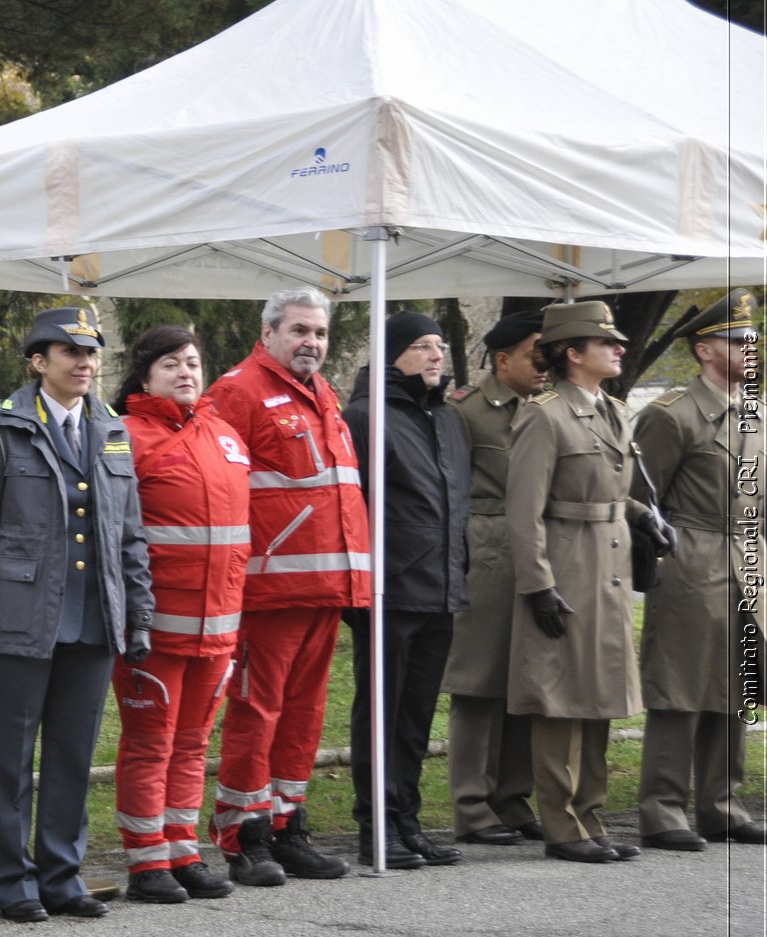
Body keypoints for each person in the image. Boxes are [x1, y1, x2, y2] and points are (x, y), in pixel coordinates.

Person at [0, 306, 154, 923]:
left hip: (94, 619)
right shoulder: (3, 427)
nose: (86, 364)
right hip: (19, 616)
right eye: (71, 353)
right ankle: (13, 881)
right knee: (10, 759)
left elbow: (130, 534)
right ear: (39, 363)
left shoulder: (112, 429)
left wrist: (139, 614)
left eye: (92, 355)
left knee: (71, 754)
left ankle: (63, 876)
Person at [204, 288, 368, 885]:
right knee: (258, 711)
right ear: (268, 332)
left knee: (304, 713)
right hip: (266, 590)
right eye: (300, 330)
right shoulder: (237, 392)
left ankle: (286, 825)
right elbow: (219, 490)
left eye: (320, 333)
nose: (312, 343)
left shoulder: (323, 395)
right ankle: (243, 836)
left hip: (324, 586)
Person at [507, 300, 673, 863]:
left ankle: (591, 816)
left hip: (611, 565)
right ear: (572, 354)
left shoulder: (613, 410)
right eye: (606, 343)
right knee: (561, 698)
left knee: (599, 693)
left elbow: (607, 488)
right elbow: (524, 508)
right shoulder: (543, 413)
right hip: (567, 563)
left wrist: (641, 513)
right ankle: (563, 824)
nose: (619, 349)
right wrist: (537, 584)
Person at [110, 326, 245, 904]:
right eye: (171, 364)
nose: (186, 372)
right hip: (155, 629)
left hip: (218, 626)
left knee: (192, 744)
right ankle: (147, 862)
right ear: (145, 376)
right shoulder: (124, 437)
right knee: (150, 743)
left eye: (193, 361)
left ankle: (182, 849)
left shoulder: (224, 435)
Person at [634, 288, 766, 849]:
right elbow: (641, 497)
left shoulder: (755, 412)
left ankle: (721, 803)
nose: (751, 349)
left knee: (737, 682)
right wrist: (657, 564)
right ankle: (663, 808)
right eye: (739, 340)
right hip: (690, 555)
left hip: (746, 557)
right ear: (705, 349)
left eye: (754, 339)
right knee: (680, 688)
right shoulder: (672, 414)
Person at [342, 311, 470, 869]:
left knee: (416, 717)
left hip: (440, 587)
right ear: (393, 354)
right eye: (422, 346)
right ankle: (376, 825)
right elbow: (355, 508)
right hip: (390, 590)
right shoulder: (366, 418)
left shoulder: (448, 421)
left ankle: (408, 820)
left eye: (440, 346)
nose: (436, 355)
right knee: (382, 713)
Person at [442, 311, 548, 846]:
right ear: (503, 359)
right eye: (535, 353)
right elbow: (451, 490)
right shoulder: (467, 413)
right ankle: (472, 804)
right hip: (485, 551)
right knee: (478, 684)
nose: (545, 364)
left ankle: (512, 796)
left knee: (527, 680)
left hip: (540, 550)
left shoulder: (548, 410)